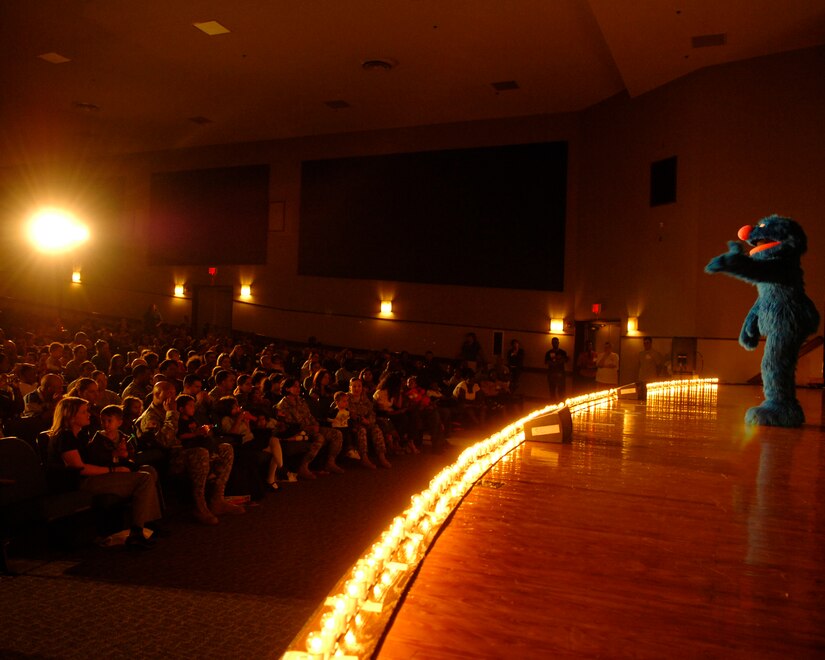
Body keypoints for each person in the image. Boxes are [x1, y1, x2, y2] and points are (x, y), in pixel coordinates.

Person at [48, 397, 161, 550]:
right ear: (71, 415)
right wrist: (113, 470)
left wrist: (116, 455)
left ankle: (148, 523)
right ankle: (137, 531)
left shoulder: (80, 435)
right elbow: (79, 468)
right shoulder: (65, 437)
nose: (88, 414)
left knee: (149, 470)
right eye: (83, 412)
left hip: (93, 476)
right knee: (144, 479)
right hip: (82, 481)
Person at [137, 381, 242, 525]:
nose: (173, 397)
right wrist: (172, 414)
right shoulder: (151, 417)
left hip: (187, 449)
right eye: (169, 393)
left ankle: (217, 499)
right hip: (170, 458)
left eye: (174, 393)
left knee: (225, 448)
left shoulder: (173, 408)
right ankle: (200, 506)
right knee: (200, 453)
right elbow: (166, 442)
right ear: (156, 394)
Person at [276, 377, 344, 479]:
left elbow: (309, 415)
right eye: (295, 386)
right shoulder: (283, 405)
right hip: (299, 431)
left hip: (312, 427)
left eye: (299, 386)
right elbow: (291, 423)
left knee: (336, 434)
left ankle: (330, 462)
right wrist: (309, 428)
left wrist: (315, 424)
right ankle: (303, 467)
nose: (298, 388)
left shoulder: (301, 401)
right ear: (287, 389)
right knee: (319, 438)